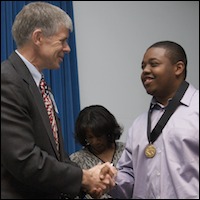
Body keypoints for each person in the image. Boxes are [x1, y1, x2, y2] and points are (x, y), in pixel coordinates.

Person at [1, 2, 116, 199]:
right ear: (38, 37)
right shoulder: (7, 80)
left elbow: (57, 156)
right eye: (62, 41)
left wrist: (88, 179)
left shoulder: (38, 85)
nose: (67, 48)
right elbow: (23, 159)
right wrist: (84, 178)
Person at [108, 41, 199, 199]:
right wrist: (108, 179)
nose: (145, 71)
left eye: (153, 64)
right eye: (143, 66)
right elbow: (128, 179)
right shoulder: (139, 125)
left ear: (178, 68)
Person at [70, 105, 125, 199]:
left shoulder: (126, 151)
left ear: (108, 132)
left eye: (99, 136)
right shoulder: (76, 160)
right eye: (90, 137)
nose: (95, 142)